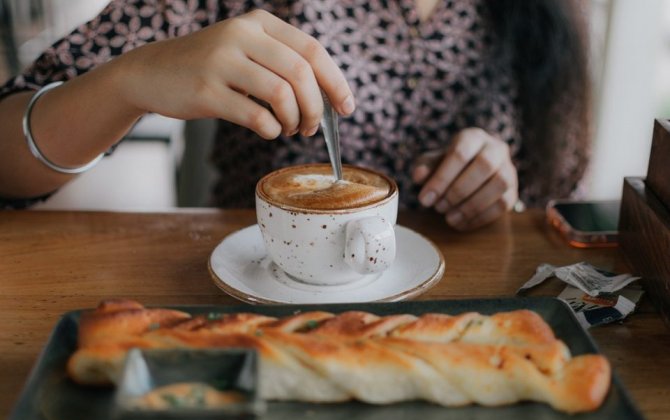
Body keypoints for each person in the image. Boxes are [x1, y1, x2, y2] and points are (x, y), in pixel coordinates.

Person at [0, 0, 591, 231]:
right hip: (263, 310)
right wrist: (128, 80)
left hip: (457, 320)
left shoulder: (544, 17)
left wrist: (501, 189)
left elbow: (563, 211)